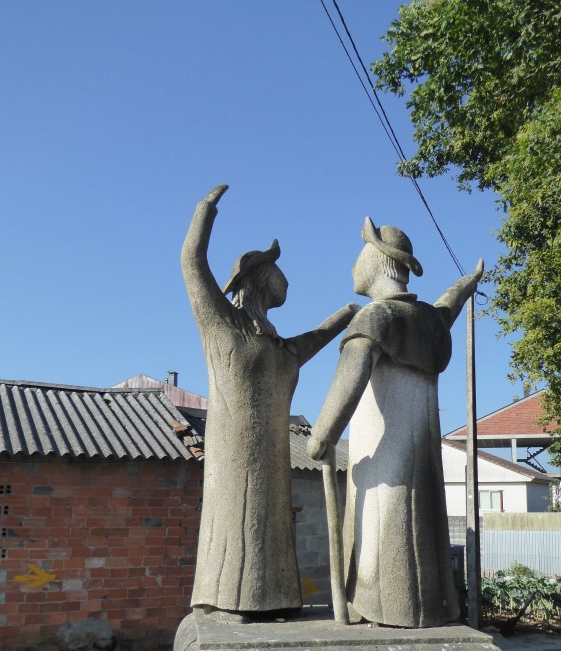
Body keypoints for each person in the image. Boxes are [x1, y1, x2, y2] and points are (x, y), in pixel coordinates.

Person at [181, 185, 359, 618]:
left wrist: (346, 315)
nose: (285, 277)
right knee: (235, 521)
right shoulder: (222, 323)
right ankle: (228, 598)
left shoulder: (277, 343)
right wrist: (206, 210)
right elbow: (192, 264)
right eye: (277, 269)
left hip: (274, 451)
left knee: (270, 524)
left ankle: (274, 598)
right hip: (233, 453)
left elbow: (311, 342)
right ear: (257, 276)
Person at [308, 217, 483, 628]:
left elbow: (347, 385)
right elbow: (449, 304)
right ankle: (427, 608)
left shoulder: (376, 319)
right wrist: (467, 282)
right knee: (420, 529)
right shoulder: (429, 322)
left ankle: (385, 608)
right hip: (421, 458)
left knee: (382, 537)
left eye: (360, 254)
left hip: (383, 462)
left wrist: (322, 436)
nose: (353, 266)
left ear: (382, 262)